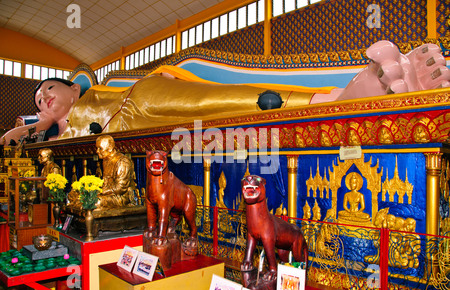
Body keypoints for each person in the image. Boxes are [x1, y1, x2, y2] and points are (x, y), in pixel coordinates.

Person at [1, 41, 449, 144]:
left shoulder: (93, 87)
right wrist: (35, 124)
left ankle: (337, 98)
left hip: (140, 100)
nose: (43, 98)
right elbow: (41, 132)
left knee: (231, 101)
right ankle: (342, 96)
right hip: (131, 135)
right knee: (221, 127)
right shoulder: (53, 135)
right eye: (37, 98)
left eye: (47, 89)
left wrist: (43, 117)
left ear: (68, 88)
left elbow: (83, 71)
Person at [95, 135, 136, 209]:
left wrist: (101, 191)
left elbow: (120, 188)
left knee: (95, 201)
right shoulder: (106, 160)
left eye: (100, 148)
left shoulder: (122, 161)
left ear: (110, 147)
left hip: (120, 197)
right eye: (97, 148)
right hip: (107, 194)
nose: (97, 151)